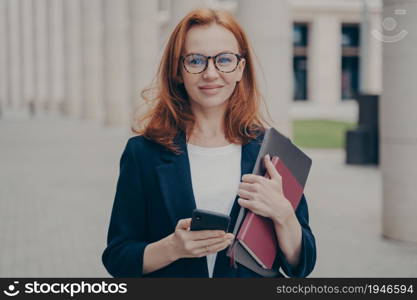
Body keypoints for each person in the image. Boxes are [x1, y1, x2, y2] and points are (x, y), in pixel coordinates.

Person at [102, 8, 316, 278]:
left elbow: (302, 265)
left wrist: (284, 214)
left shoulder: (272, 151)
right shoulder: (143, 153)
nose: (211, 73)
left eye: (224, 60)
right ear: (178, 71)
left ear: (240, 68)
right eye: (195, 60)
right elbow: (118, 258)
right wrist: (172, 248)